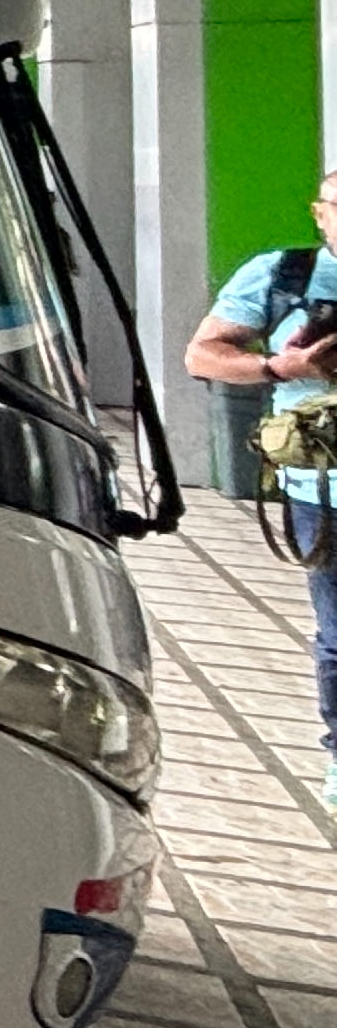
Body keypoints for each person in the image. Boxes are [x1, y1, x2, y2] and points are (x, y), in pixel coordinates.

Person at [187, 173, 337, 802]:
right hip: (322, 486)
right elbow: (202, 355)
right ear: (320, 214)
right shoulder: (283, 275)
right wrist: (282, 367)